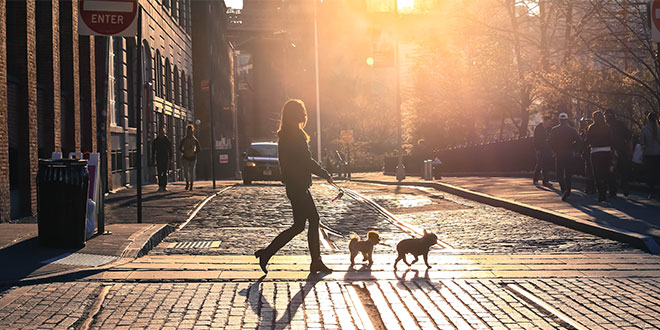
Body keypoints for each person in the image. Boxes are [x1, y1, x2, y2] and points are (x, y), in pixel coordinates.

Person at [255, 99, 334, 274]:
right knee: (313, 220)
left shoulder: (285, 135)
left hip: (295, 185)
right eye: (301, 111)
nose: (304, 114)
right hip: (298, 186)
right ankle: (315, 262)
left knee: (299, 225)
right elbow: (306, 161)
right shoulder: (296, 135)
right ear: (295, 114)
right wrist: (325, 174)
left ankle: (267, 254)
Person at [549, 112, 580, 201]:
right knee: (568, 174)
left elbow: (550, 142)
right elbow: (578, 141)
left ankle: (564, 189)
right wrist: (575, 150)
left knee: (559, 173)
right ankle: (568, 190)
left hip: (559, 154)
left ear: (559, 120)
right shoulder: (572, 130)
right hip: (569, 154)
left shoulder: (554, 130)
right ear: (567, 120)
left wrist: (554, 150)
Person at [585, 111, 613, 202]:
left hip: (595, 152)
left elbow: (588, 140)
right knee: (605, 172)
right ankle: (604, 191)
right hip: (606, 151)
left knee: (597, 173)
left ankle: (600, 193)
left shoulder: (592, 128)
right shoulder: (607, 127)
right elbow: (611, 139)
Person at [604, 109, 632, 197]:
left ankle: (613, 190)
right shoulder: (621, 124)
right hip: (621, 150)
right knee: (623, 169)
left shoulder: (605, 126)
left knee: (611, 171)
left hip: (610, 151)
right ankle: (625, 187)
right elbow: (629, 135)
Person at [641, 112, 660, 199]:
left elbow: (642, 142)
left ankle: (652, 191)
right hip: (657, 153)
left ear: (648, 119)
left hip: (648, 154)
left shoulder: (644, 129)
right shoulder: (659, 129)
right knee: (657, 172)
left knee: (650, 173)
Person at [533, 114, 553, 187]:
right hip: (540, 149)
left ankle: (545, 181)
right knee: (540, 164)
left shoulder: (549, 129)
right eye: (548, 121)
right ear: (545, 121)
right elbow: (536, 140)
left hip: (546, 149)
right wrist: (537, 149)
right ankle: (535, 179)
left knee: (546, 165)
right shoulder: (539, 128)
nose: (549, 123)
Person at [179, 124, 201, 191]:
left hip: (192, 158)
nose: (189, 133)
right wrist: (183, 151)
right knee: (186, 171)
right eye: (188, 131)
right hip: (185, 157)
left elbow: (199, 148)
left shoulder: (194, 140)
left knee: (191, 172)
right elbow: (180, 147)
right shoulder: (184, 140)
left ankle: (191, 185)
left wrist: (194, 153)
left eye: (190, 131)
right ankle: (187, 183)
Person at [152, 127, 172, 192]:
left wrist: (170, 158)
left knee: (164, 172)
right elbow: (153, 150)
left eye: (162, 133)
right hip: (159, 158)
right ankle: (160, 186)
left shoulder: (167, 140)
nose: (161, 134)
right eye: (160, 133)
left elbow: (170, 149)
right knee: (160, 172)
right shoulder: (156, 141)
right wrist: (152, 158)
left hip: (165, 158)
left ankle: (164, 186)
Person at [579, 117, 595, 194]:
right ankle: (592, 187)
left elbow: (584, 142)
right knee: (592, 170)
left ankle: (589, 187)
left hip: (589, 153)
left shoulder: (588, 132)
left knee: (589, 170)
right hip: (591, 152)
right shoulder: (586, 132)